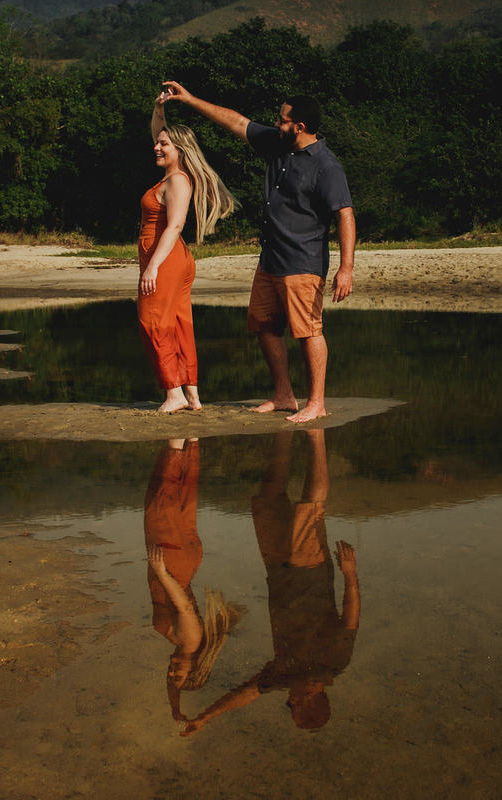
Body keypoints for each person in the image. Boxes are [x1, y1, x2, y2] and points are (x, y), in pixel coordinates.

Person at [156, 81, 355, 423]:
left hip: (303, 261)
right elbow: (236, 122)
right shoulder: (278, 143)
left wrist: (346, 268)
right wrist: (189, 100)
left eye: (282, 120)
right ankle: (284, 395)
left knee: (308, 331)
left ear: (300, 126)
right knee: (264, 325)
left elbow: (345, 214)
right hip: (270, 260)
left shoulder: (326, 165)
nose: (276, 124)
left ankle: (316, 403)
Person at [180, 430, 359, 735]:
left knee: (267, 500)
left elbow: (245, 694)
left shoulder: (284, 676)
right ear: (309, 698)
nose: (288, 701)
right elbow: (350, 620)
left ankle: (283, 435)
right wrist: (350, 574)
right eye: (293, 705)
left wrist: (205, 717)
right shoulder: (334, 663)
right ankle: (316, 436)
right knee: (311, 507)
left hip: (278, 572)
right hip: (310, 571)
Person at [138, 93, 238, 413]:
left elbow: (176, 225)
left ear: (179, 150)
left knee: (154, 322)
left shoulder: (178, 181)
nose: (157, 146)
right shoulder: (172, 176)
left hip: (166, 260)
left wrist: (152, 266)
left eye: (164, 144)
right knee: (178, 324)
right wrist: (159, 108)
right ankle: (191, 394)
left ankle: (174, 393)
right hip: (171, 260)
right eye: (158, 143)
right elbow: (157, 131)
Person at [143, 439, 243, 724]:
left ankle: (192, 440)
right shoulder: (190, 641)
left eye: (170, 676)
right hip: (172, 566)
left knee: (184, 498)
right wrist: (162, 573)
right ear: (196, 667)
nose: (172, 671)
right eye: (179, 674)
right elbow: (184, 607)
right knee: (161, 498)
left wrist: (175, 707)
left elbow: (174, 681)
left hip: (187, 561)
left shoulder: (186, 645)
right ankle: (176, 441)